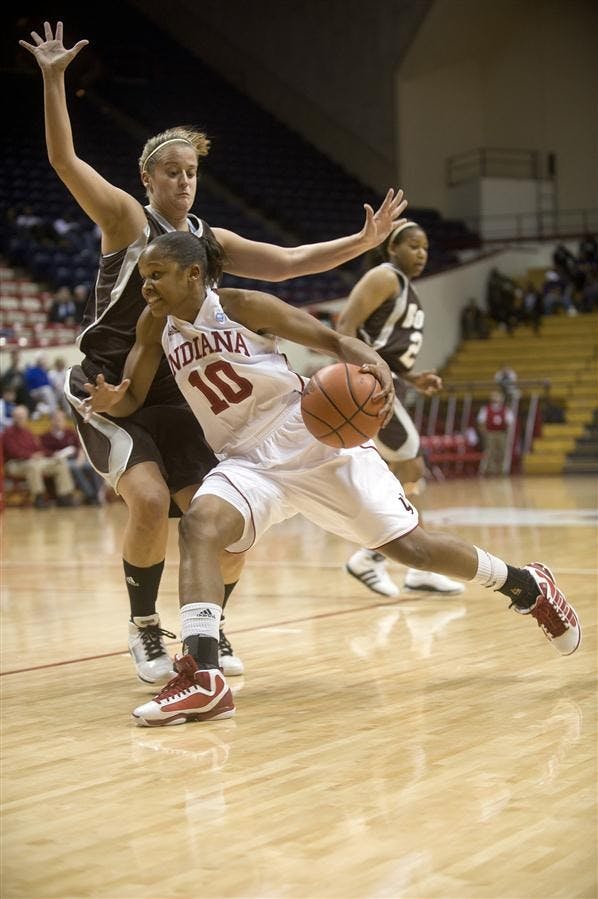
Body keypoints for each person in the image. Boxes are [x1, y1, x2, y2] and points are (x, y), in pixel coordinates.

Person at [21, 20, 408, 685]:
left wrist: (360, 241)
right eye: (171, 172)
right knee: (146, 500)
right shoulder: (126, 220)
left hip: (181, 397)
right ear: (146, 178)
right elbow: (64, 163)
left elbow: (287, 262)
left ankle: (210, 626)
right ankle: (146, 628)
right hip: (109, 387)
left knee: (220, 519)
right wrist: (55, 80)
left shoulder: (209, 242)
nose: (184, 182)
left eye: (192, 172)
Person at [84, 232, 581, 726]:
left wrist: (377, 366)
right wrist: (114, 402)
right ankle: (204, 677)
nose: (145, 288)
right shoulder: (155, 327)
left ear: (193, 275)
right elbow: (132, 393)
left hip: (308, 436)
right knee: (199, 525)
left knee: (413, 550)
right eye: (145, 277)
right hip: (246, 459)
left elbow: (333, 340)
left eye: (155, 276)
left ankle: (526, 584)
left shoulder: (241, 305)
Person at [336, 221, 464, 598]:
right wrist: (355, 382)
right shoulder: (384, 276)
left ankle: (387, 558)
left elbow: (386, 349)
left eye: (425, 247)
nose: (421, 253)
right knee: (411, 466)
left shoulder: (404, 288)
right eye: (413, 245)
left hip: (386, 384)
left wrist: (413, 377)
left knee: (403, 472)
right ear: (392, 249)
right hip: (366, 386)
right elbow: (345, 326)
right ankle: (389, 559)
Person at [2, 405, 75, 508]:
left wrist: (51, 454)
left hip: (34, 461)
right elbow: (13, 451)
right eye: (18, 416)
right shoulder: (8, 433)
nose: (20, 419)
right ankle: (39, 498)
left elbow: (39, 448)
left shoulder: (28, 432)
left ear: (26, 417)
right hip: (14, 464)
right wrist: (31, 455)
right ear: (13, 417)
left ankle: (64, 496)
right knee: (33, 466)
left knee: (60, 463)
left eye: (22, 416)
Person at [40, 409, 103, 504]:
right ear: (52, 421)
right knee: (74, 468)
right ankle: (90, 495)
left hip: (76, 459)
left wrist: (80, 458)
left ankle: (97, 494)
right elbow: (44, 451)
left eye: (61, 419)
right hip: (60, 462)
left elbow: (80, 447)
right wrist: (55, 455)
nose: (59, 422)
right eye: (57, 419)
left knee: (94, 467)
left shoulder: (70, 432)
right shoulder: (46, 436)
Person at [477, 390, 514, 476]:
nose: (496, 399)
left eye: (498, 397)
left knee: (502, 452)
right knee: (490, 452)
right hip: (490, 433)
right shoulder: (485, 409)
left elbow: (510, 422)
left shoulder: (506, 409)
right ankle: (491, 470)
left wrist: (507, 431)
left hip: (502, 433)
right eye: (494, 397)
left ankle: (502, 470)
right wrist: (484, 433)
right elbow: (481, 422)